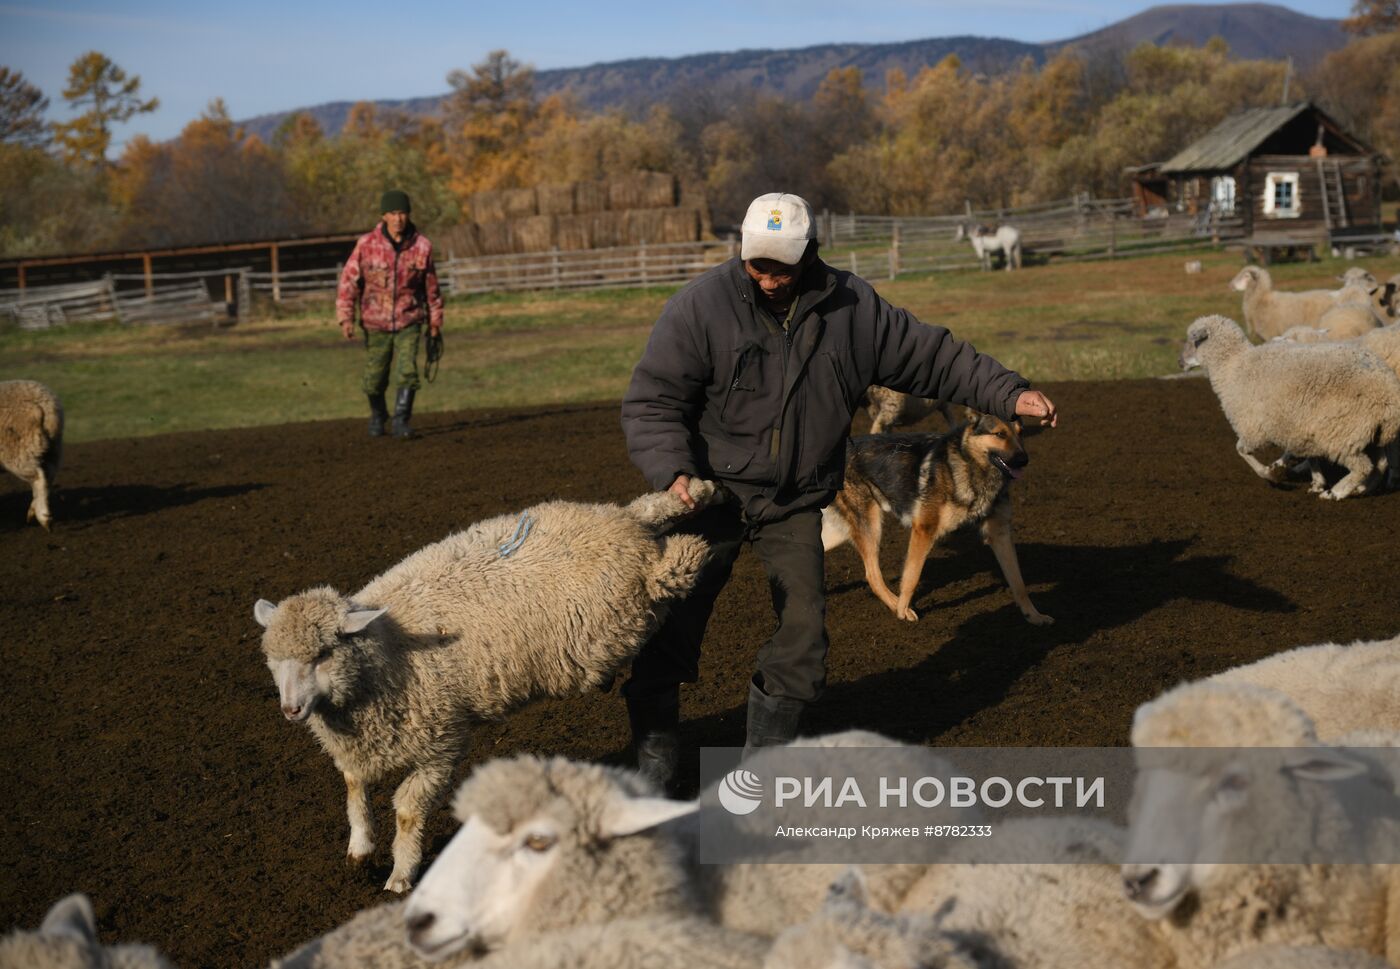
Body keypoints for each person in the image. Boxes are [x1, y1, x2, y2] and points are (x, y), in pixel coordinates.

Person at [619, 192, 1058, 786]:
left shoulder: (852, 309)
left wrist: (1007, 393)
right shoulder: (701, 308)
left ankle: (757, 781)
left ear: (810, 252)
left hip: (796, 499)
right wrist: (674, 473)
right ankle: (652, 769)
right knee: (666, 623)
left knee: (803, 641)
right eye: (757, 263)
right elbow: (653, 401)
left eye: (782, 264)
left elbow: (934, 355)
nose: (769, 277)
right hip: (707, 492)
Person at [336, 189, 444, 438]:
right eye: (393, 213)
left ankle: (401, 420)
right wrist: (345, 317)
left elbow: (432, 289)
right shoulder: (366, 245)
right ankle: (378, 415)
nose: (398, 219)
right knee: (374, 377)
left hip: (410, 320)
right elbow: (348, 282)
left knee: (408, 370)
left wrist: (435, 322)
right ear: (384, 215)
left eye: (402, 213)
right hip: (375, 322)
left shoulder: (422, 246)